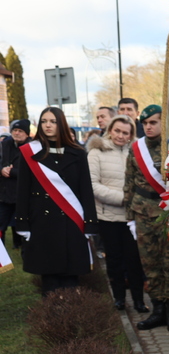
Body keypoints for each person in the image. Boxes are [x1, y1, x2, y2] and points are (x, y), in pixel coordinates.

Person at [15, 107, 99, 295]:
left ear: (61, 124)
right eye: (44, 121)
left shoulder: (77, 153)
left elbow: (86, 190)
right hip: (42, 222)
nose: (48, 125)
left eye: (53, 121)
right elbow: (22, 191)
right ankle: (52, 310)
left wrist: (90, 223)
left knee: (71, 277)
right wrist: (22, 222)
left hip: (71, 221)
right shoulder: (29, 152)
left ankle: (70, 311)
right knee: (49, 277)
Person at [124, 105, 169, 331]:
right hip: (143, 213)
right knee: (150, 263)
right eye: (145, 123)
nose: (148, 127)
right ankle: (158, 309)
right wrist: (130, 218)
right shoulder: (136, 148)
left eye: (153, 122)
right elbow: (129, 183)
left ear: (162, 123)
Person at [87, 115, 147, 312]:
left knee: (135, 260)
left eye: (125, 133)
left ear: (131, 134)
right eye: (117, 131)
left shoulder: (138, 151)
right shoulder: (96, 152)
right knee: (114, 260)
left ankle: (139, 300)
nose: (121, 136)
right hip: (109, 216)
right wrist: (123, 198)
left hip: (133, 217)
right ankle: (119, 298)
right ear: (110, 130)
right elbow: (93, 184)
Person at [0, 119, 27, 248]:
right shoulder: (4, 144)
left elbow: (32, 171)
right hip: (4, 193)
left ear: (26, 133)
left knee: (21, 224)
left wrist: (12, 172)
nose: (17, 133)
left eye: (20, 131)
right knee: (1, 223)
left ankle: (21, 246)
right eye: (15, 130)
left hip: (22, 194)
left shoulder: (31, 147)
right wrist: (2, 169)